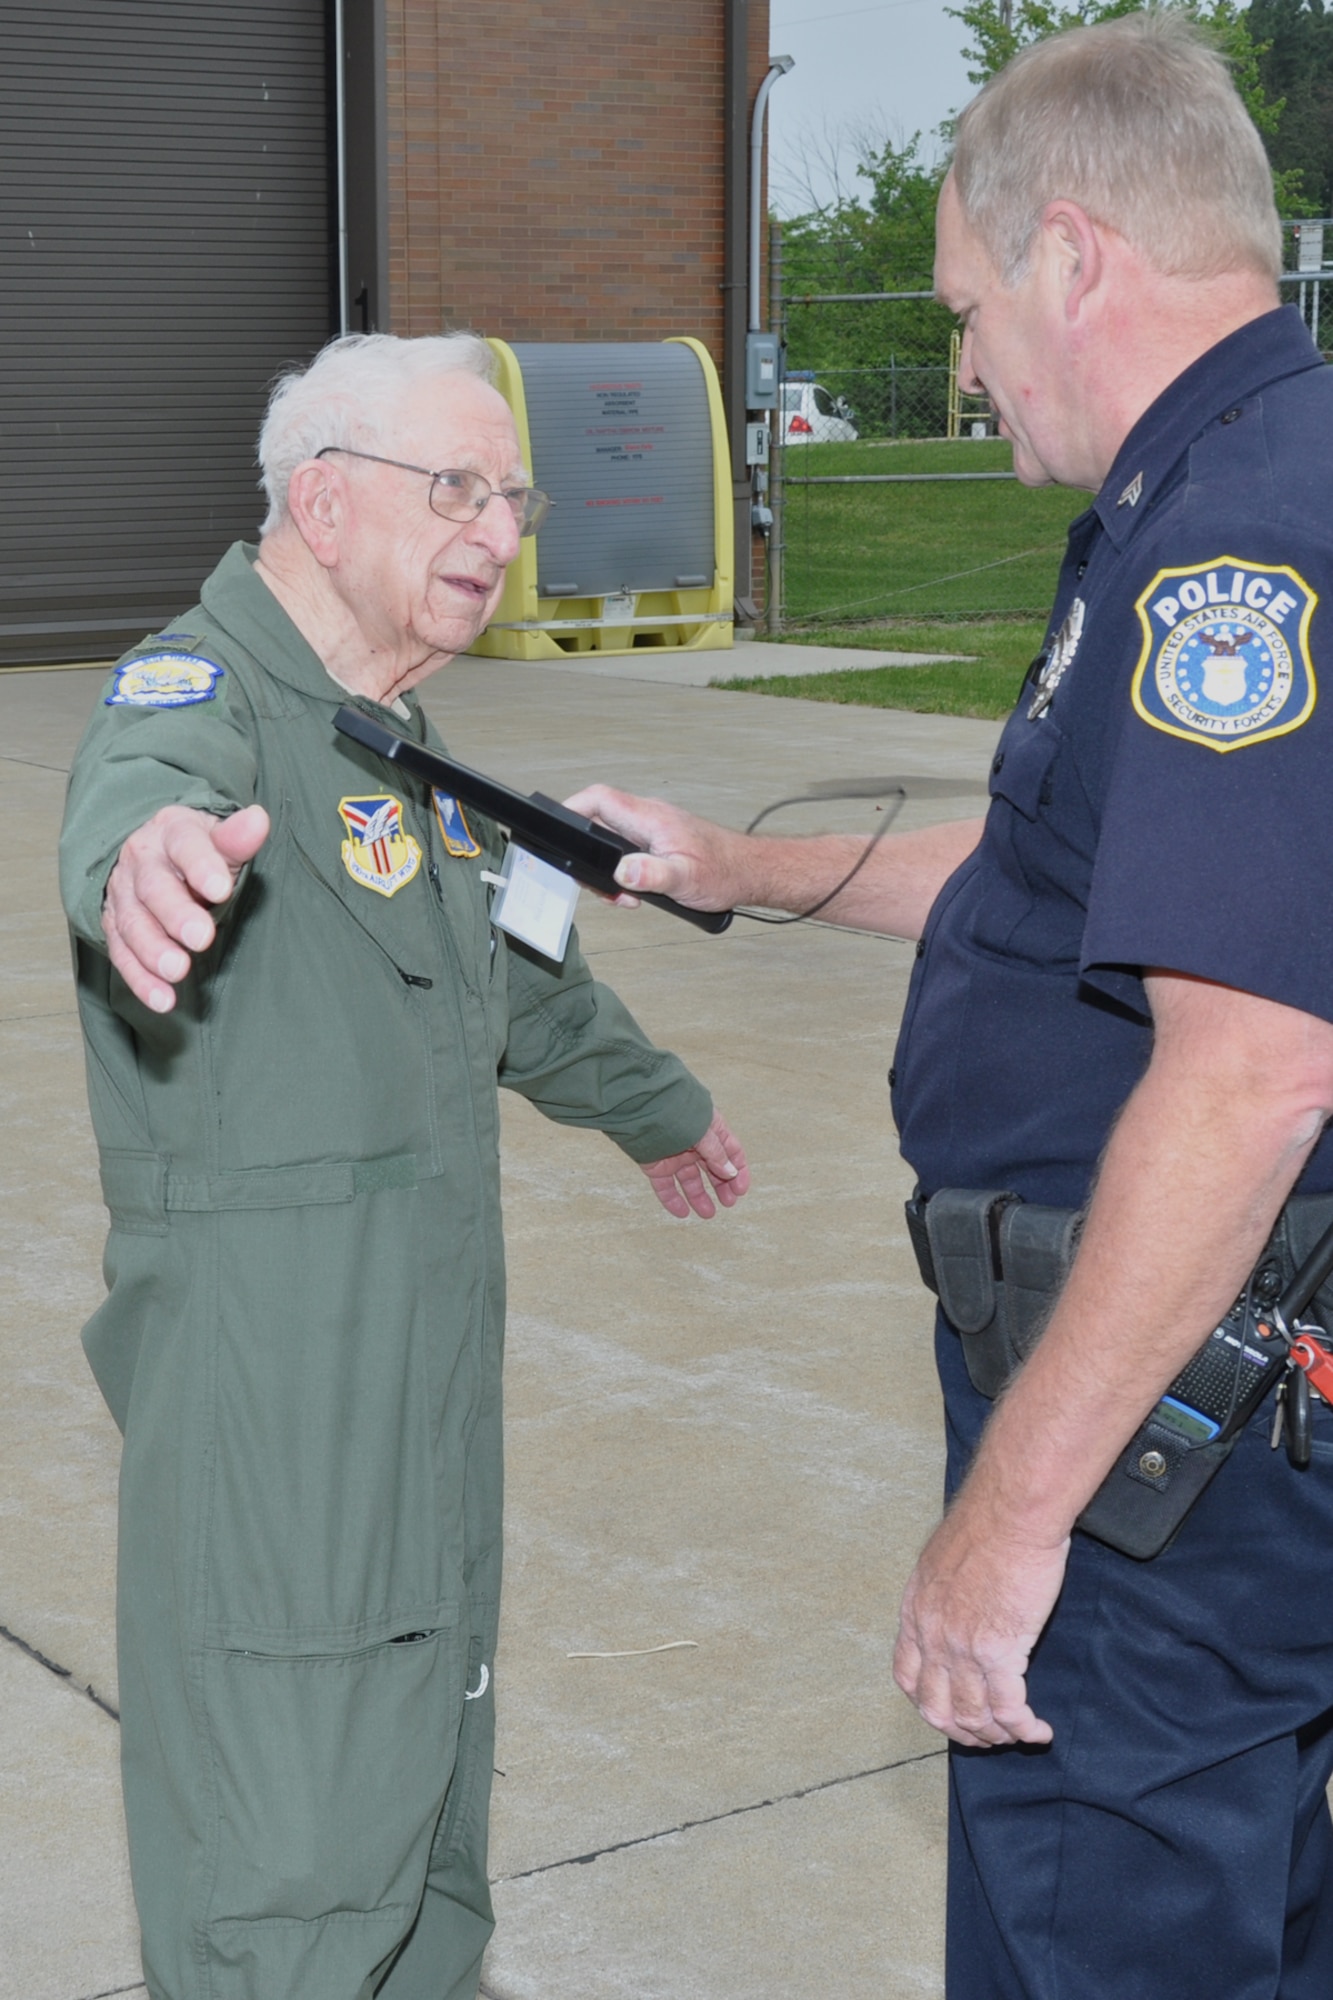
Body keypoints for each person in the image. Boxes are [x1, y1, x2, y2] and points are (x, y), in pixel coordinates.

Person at [565, 15, 1333, 1993]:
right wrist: (737, 865)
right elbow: (1060, 901)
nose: (964, 353)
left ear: (1075, 256)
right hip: (1210, 1412)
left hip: (1165, 1446)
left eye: (968, 303)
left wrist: (1013, 1517)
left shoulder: (1236, 552)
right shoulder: (1205, 492)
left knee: (1111, 1929)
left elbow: (1244, 1070)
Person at [58, 331, 748, 2000]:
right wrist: (140, 865)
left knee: (420, 1785)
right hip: (280, 1373)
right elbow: (142, 802)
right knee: (287, 1822)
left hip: (420, 1361)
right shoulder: (204, 698)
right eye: (455, 487)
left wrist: (653, 1104)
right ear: (322, 501)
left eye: (510, 495)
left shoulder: (396, 745)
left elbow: (510, 977)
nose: (499, 527)